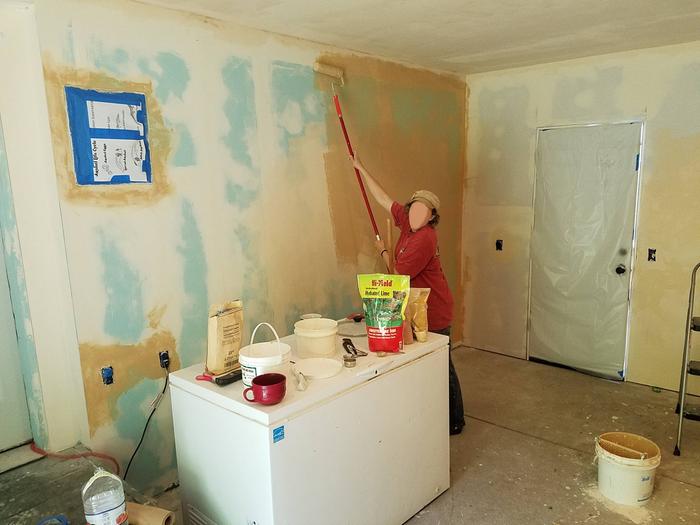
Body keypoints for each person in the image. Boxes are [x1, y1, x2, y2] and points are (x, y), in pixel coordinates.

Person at [351, 155, 465, 435]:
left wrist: (381, 250)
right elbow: (383, 198)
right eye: (414, 208)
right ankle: (429, 414)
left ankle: (455, 419)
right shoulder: (406, 222)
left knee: (441, 364)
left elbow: (398, 275)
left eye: (423, 212)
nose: (416, 214)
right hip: (415, 308)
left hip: (433, 310)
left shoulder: (425, 238)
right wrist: (361, 168)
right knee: (424, 364)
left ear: (431, 217)